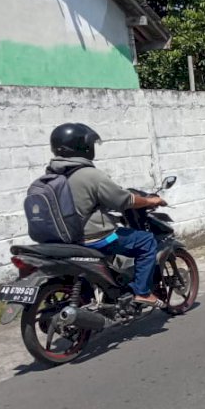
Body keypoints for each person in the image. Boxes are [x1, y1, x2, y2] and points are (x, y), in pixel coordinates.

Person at [47, 123, 168, 308]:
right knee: (146, 241)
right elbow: (123, 199)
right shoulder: (89, 174)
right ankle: (142, 292)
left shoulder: (49, 176)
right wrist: (151, 201)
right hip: (92, 238)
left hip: (60, 240)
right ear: (84, 147)